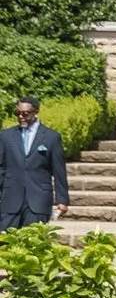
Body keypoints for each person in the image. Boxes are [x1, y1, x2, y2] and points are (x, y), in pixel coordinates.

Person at [0, 98, 71, 229]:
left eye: (25, 114)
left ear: (35, 112)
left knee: (33, 242)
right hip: (11, 199)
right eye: (18, 113)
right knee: (4, 242)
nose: (21, 117)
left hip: (38, 200)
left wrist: (62, 200)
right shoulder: (6, 136)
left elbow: (59, 170)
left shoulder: (51, 137)